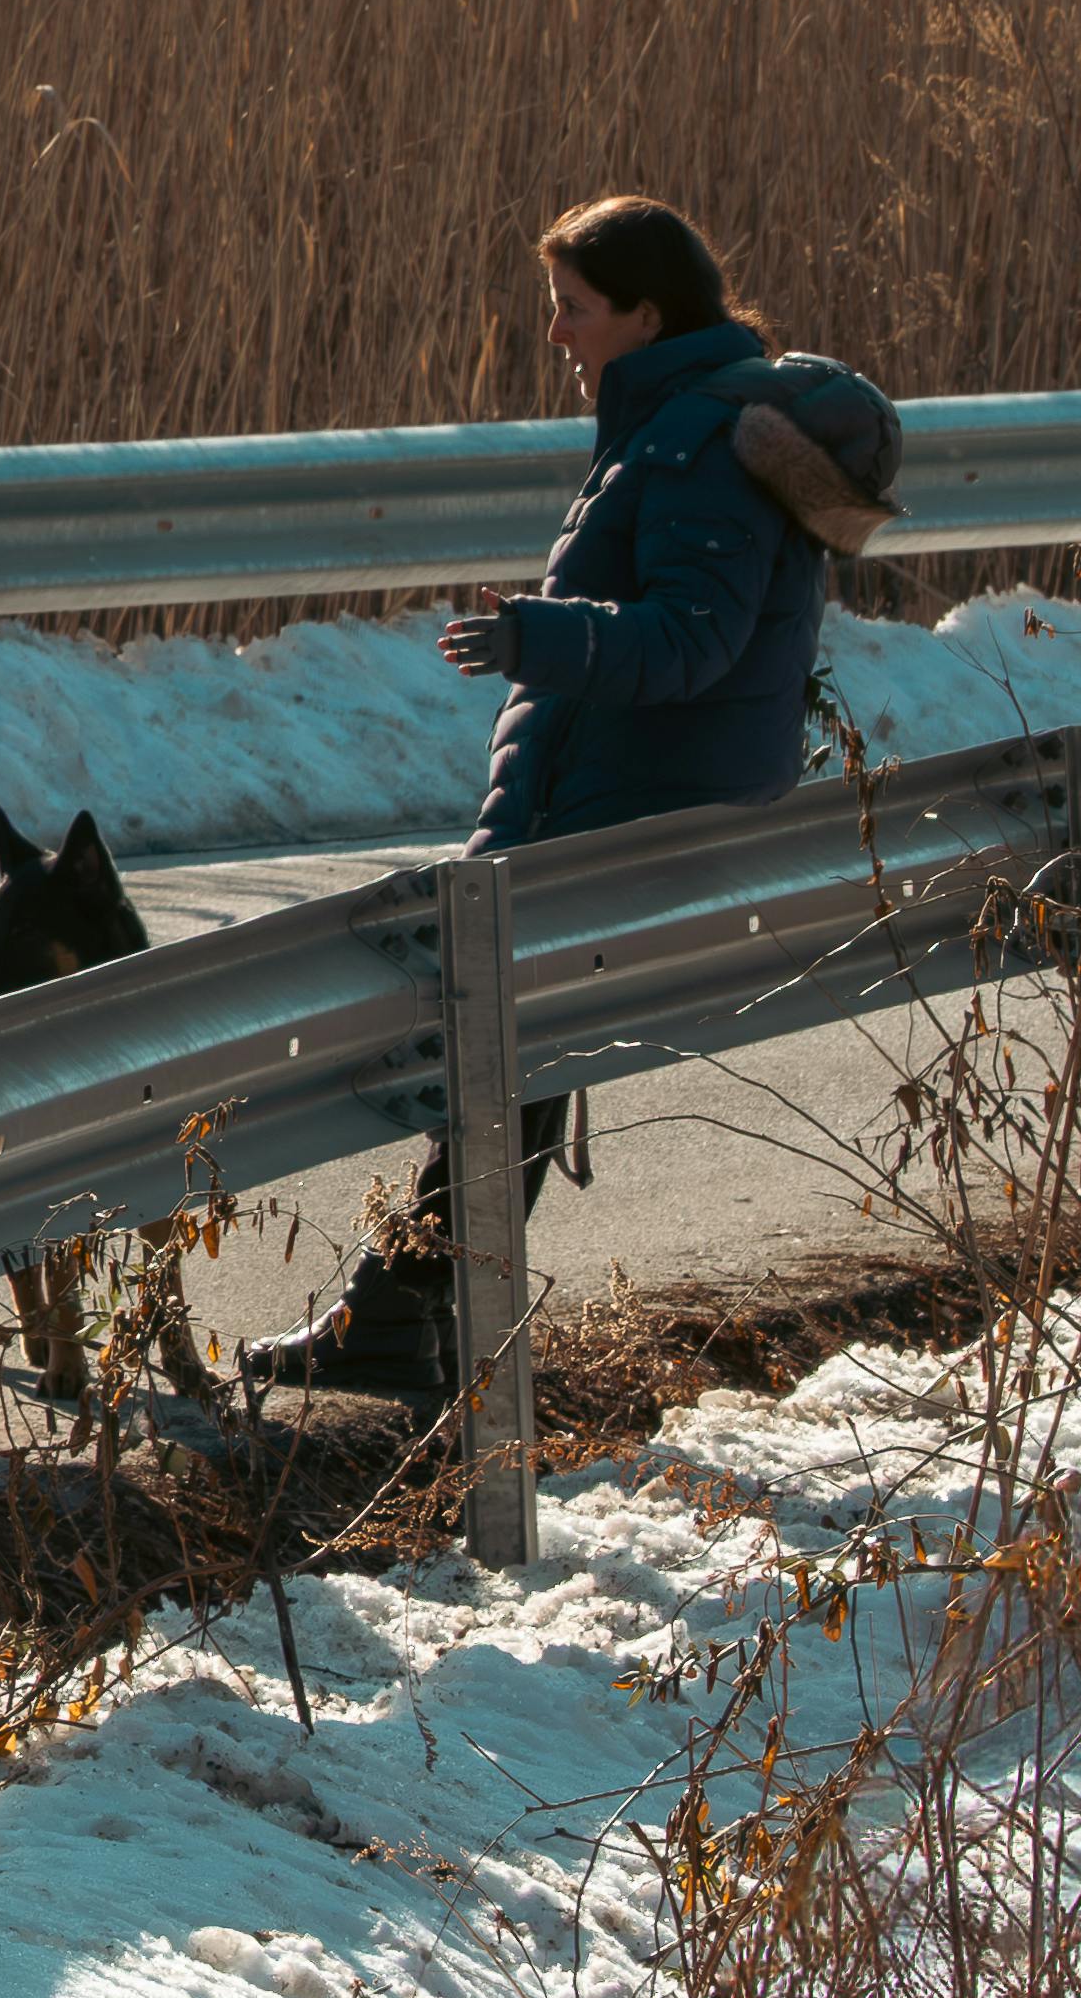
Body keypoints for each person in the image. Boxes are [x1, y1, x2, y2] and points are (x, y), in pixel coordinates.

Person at [247, 192, 838, 1399]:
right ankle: (403, 1310)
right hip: (620, 787)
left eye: (574, 307)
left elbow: (695, 637)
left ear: (645, 315)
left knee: (493, 1038)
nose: (555, 331)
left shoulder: (695, 441)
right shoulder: (675, 424)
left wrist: (539, 637)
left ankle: (398, 1310)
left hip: (624, 796)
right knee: (505, 1049)